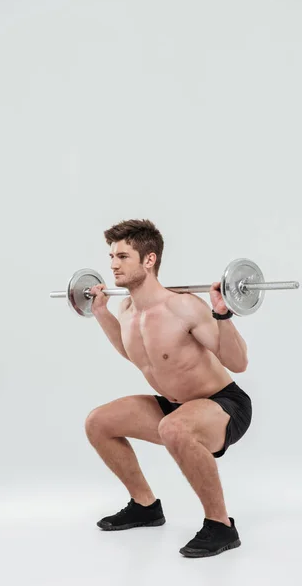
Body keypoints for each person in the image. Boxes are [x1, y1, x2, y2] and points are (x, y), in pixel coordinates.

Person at [85, 219, 252, 558]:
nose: (113, 264)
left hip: (222, 405)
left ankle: (221, 526)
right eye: (111, 256)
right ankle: (145, 506)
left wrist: (223, 315)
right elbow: (135, 354)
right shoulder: (127, 309)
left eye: (123, 256)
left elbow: (238, 363)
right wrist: (101, 313)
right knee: (98, 422)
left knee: (174, 427)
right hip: (174, 407)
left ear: (149, 260)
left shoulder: (183, 306)